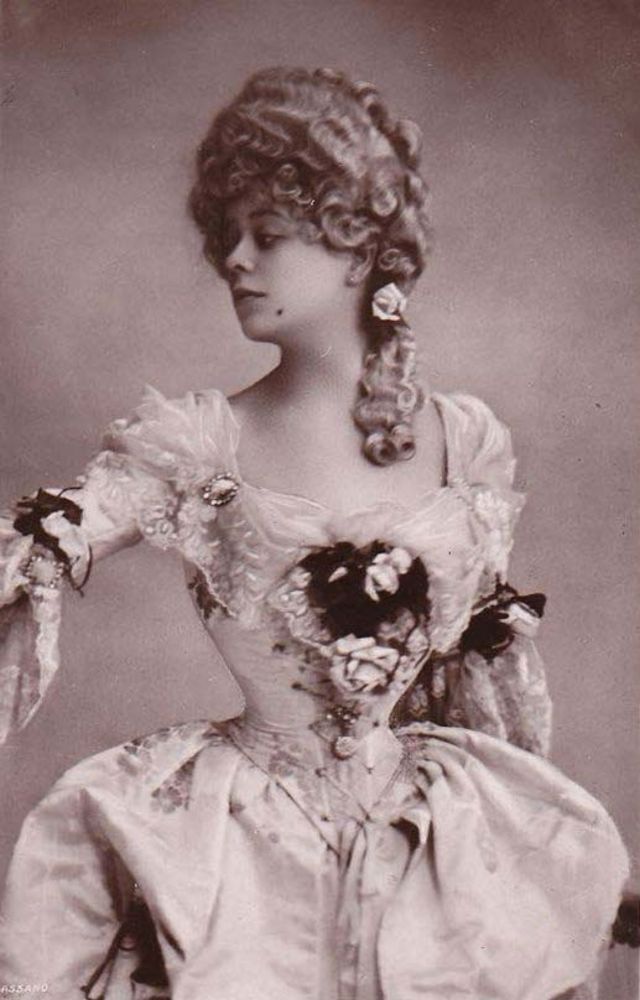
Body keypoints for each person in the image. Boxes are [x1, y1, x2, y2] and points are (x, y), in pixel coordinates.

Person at [0, 67, 630, 1000]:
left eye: (268, 235)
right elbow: (46, 544)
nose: (235, 261)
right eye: (228, 236)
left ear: (358, 251)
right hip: (237, 851)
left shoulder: (468, 443)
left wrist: (532, 863)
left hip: (423, 847)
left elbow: (473, 684)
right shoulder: (198, 441)